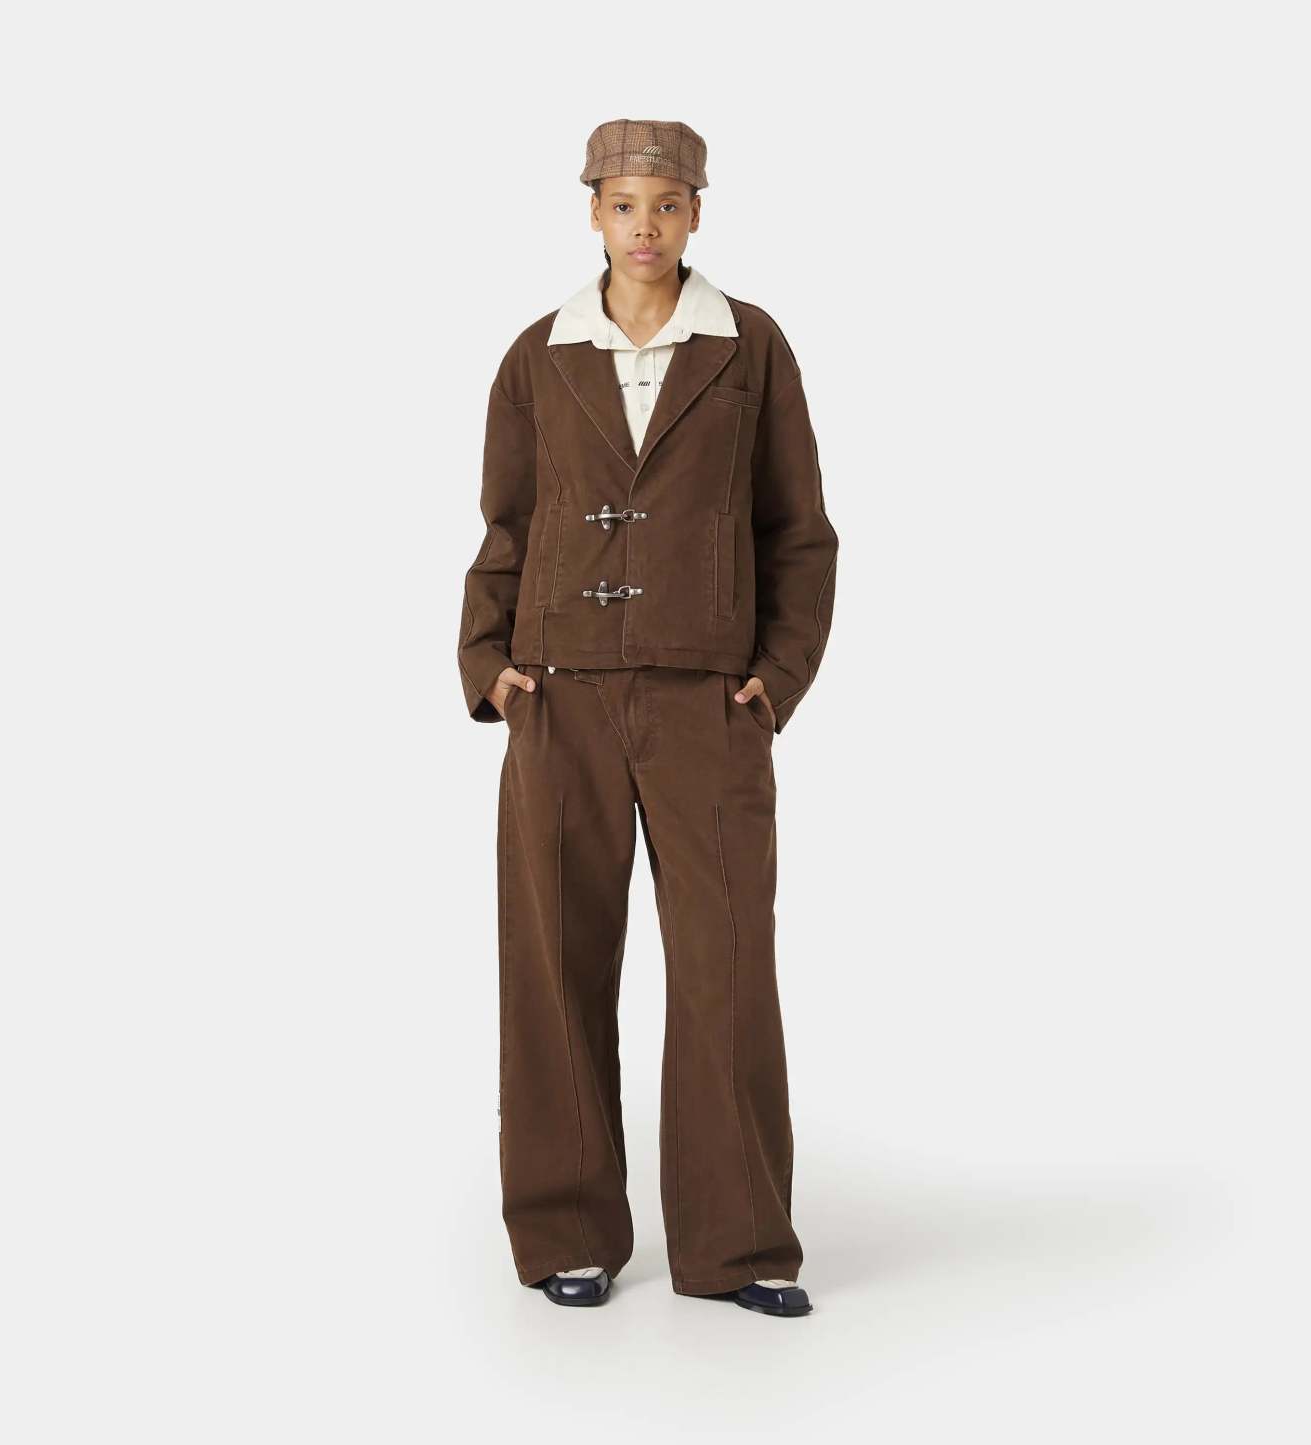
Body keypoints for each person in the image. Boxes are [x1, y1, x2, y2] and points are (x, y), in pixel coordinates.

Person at [456, 118, 838, 1318]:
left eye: (666, 205)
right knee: (554, 964)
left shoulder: (748, 346)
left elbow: (798, 529)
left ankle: (738, 1245)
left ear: (696, 213)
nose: (644, 227)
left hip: (707, 702)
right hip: (557, 694)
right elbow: (506, 523)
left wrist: (775, 675)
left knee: (726, 967)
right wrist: (489, 663)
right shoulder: (538, 355)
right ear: (591, 211)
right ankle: (566, 1229)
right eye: (623, 204)